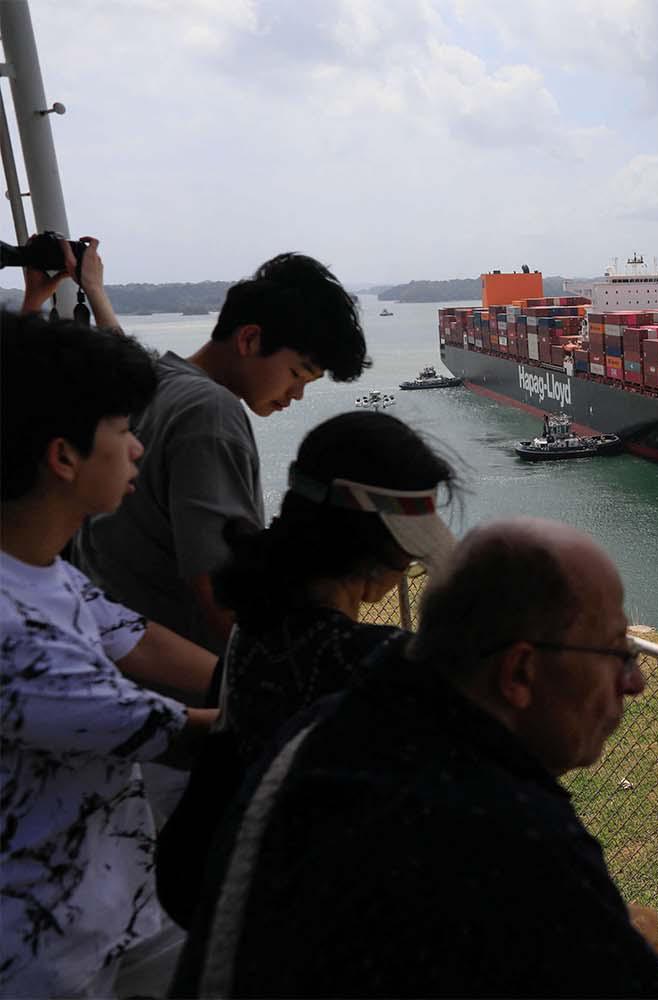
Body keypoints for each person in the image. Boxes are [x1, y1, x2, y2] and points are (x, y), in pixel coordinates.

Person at [173, 519, 658, 998]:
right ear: (520, 672)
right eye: (616, 652)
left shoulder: (325, 731)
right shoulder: (510, 831)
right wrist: (633, 941)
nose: (634, 682)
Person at [154, 411, 459, 925]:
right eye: (408, 554)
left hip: (236, 909)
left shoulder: (254, 629)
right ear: (377, 549)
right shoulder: (374, 662)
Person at [0, 312, 218, 998]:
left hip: (114, 910)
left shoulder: (40, 567)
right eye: (123, 431)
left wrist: (254, 673)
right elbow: (189, 731)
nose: (139, 451)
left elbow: (137, 637)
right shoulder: (13, 633)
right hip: (39, 955)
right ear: (63, 457)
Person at [77, 252, 370, 660]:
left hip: (115, 654)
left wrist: (94, 290)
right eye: (297, 374)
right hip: (190, 686)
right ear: (249, 339)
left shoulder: (154, 382)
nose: (297, 395)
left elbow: (115, 342)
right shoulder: (211, 412)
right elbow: (222, 594)